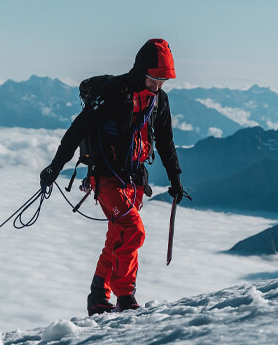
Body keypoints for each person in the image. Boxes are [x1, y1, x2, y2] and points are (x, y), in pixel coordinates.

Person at [39, 38, 189, 316]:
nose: (158, 87)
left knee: (118, 238)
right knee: (133, 231)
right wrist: (54, 168)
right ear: (141, 70)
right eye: (154, 79)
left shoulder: (159, 101)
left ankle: (97, 298)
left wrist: (175, 179)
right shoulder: (113, 92)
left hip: (134, 181)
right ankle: (125, 296)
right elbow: (78, 129)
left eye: (163, 81)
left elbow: (166, 142)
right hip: (106, 178)